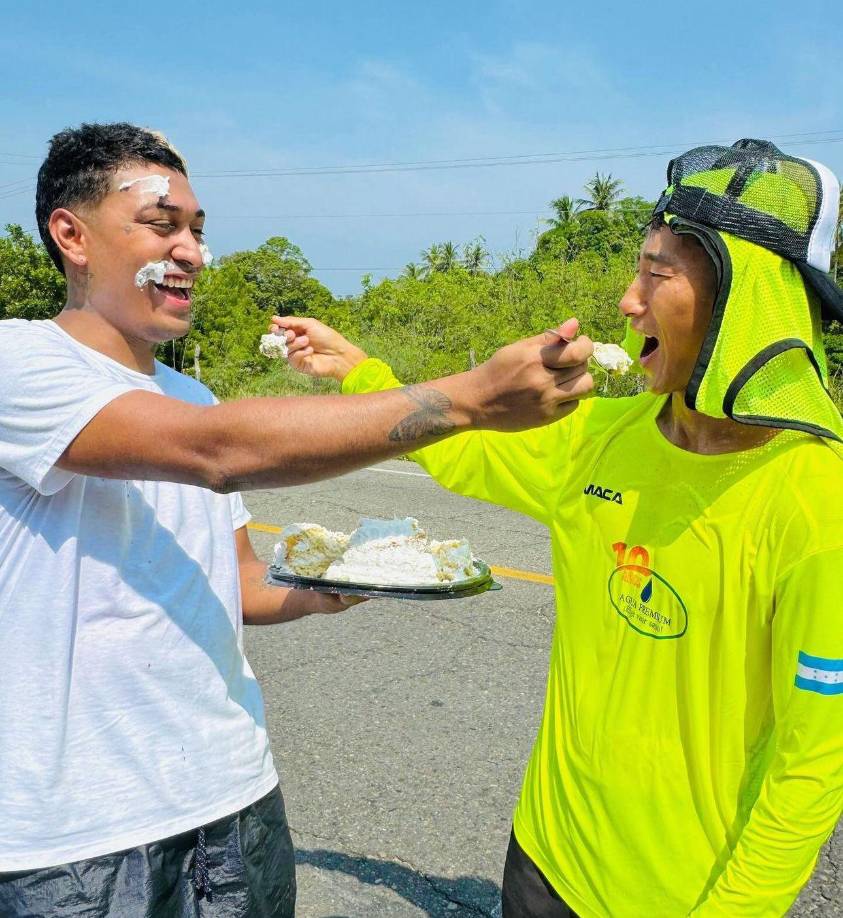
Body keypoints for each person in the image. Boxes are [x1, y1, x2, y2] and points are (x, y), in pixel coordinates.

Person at [0, 122, 595, 917]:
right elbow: (217, 452)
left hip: (234, 799)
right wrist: (468, 399)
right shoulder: (22, 361)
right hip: (77, 840)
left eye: (199, 232)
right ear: (70, 234)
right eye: (162, 224)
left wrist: (327, 586)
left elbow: (240, 581)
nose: (191, 253)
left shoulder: (194, 396)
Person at [279, 139, 843, 916]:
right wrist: (359, 371)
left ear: (744, 303)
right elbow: (463, 443)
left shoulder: (818, 501)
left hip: (680, 894)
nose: (626, 301)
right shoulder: (600, 433)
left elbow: (812, 765)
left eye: (655, 274)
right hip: (543, 856)